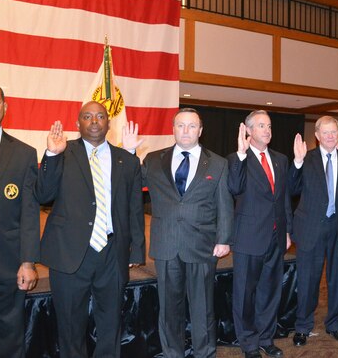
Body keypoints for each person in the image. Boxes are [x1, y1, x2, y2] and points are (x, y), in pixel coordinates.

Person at [36, 101, 145, 358]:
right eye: (87, 116)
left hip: (112, 253)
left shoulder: (126, 160)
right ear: (78, 124)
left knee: (110, 326)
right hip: (70, 254)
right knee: (71, 328)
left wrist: (136, 251)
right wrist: (51, 155)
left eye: (100, 116)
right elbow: (43, 194)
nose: (94, 121)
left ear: (108, 123)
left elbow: (134, 208)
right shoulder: (62, 151)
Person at [141, 108, 233, 358]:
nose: (186, 131)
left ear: (200, 130)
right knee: (169, 309)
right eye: (180, 125)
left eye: (192, 126)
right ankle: (173, 354)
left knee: (203, 308)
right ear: (173, 129)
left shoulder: (217, 162)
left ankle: (205, 353)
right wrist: (129, 152)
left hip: (202, 246)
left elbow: (224, 203)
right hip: (166, 245)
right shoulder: (153, 159)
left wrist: (224, 238)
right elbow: (131, 185)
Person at [288, 116, 338, 347]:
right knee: (308, 280)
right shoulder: (305, 159)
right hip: (310, 229)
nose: (330, 136)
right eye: (325, 132)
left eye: (333, 132)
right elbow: (290, 188)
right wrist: (297, 163)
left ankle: (335, 324)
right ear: (317, 135)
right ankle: (303, 326)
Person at [227, 110, 292, 358]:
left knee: (271, 291)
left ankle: (266, 338)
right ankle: (249, 344)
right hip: (249, 237)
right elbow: (234, 187)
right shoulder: (236, 158)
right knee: (245, 294)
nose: (267, 130)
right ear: (249, 130)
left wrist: (287, 231)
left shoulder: (280, 159)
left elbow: (284, 198)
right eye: (261, 126)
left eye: (269, 126)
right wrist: (242, 155)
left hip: (276, 237)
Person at [0, 81, 39, 358]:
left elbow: (29, 212)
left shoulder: (24, 154)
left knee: (8, 337)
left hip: (6, 262)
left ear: (5, 106)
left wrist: (28, 261)